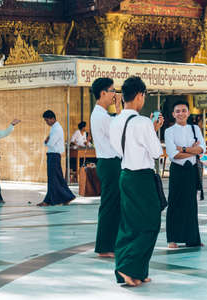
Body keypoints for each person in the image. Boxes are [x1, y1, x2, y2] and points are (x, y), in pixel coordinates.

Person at [109, 76, 164, 287]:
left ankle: (137, 272)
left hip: (125, 176)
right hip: (142, 178)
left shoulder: (115, 121)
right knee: (150, 224)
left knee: (130, 224)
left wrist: (150, 130)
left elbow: (120, 148)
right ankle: (128, 267)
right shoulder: (142, 122)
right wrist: (152, 130)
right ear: (140, 95)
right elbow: (157, 152)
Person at [164, 100, 205, 249]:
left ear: (188, 112)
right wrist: (190, 150)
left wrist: (183, 149)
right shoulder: (169, 131)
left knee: (191, 204)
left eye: (184, 110)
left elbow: (202, 149)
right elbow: (173, 155)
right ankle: (172, 239)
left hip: (192, 170)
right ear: (173, 114)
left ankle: (192, 238)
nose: (181, 113)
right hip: (177, 170)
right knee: (174, 203)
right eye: (178, 111)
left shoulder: (195, 129)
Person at [90, 77, 122, 258]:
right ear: (103, 93)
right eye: (112, 91)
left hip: (111, 162)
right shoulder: (100, 115)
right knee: (109, 205)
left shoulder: (101, 114)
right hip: (109, 163)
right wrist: (119, 110)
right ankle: (104, 246)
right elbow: (119, 132)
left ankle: (110, 244)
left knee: (114, 205)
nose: (114, 94)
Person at [38, 110, 75, 207]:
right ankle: (67, 197)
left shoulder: (56, 129)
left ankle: (48, 201)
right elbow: (48, 141)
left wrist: (47, 141)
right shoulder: (55, 128)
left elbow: (50, 143)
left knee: (53, 179)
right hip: (54, 155)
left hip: (53, 155)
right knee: (58, 178)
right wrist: (47, 141)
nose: (46, 123)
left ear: (52, 119)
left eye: (47, 120)